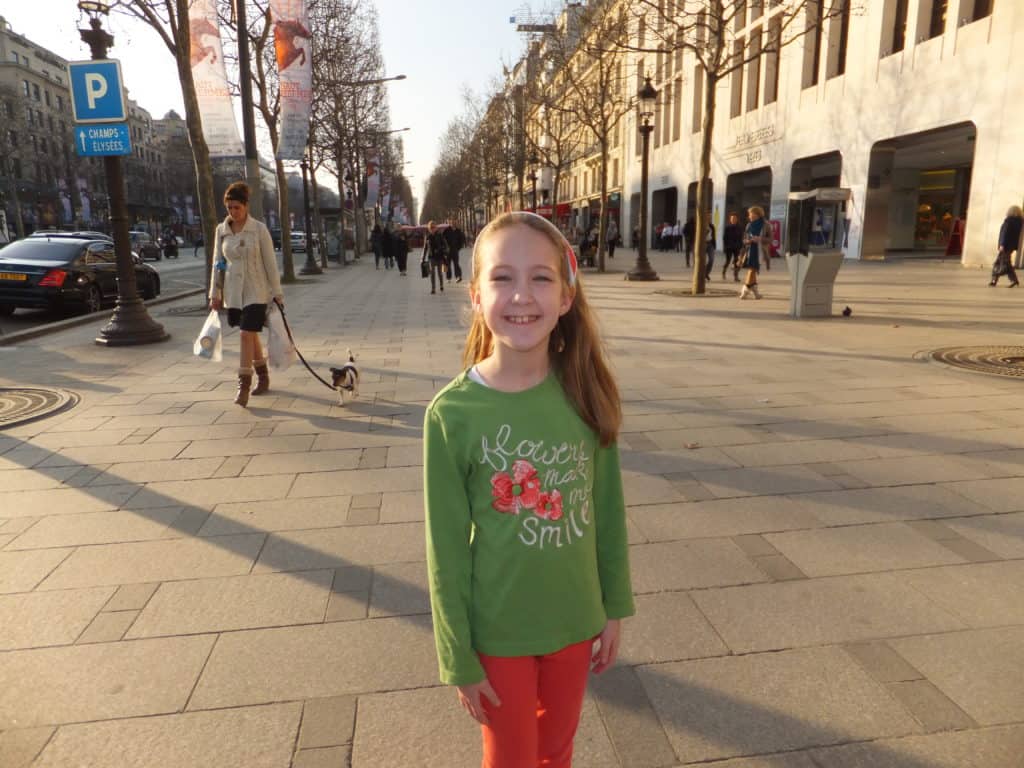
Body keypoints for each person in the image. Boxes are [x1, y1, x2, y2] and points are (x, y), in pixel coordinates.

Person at [424, 211, 634, 768]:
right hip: (498, 630)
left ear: (566, 296)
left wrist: (614, 606)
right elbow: (444, 550)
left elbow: (607, 511)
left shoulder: (585, 392)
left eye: (540, 277)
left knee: (556, 751)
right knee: (511, 758)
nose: (522, 295)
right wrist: (457, 654)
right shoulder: (452, 414)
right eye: (502, 278)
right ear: (475, 294)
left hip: (573, 619)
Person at [208, 181, 283, 406]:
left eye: (237, 207)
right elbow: (217, 264)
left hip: (256, 290)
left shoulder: (259, 229)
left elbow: (270, 263)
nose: (233, 212)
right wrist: (215, 293)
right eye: (229, 207)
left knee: (245, 334)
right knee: (250, 334)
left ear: (246, 206)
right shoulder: (221, 231)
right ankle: (263, 376)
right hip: (234, 293)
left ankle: (244, 384)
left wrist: (277, 292)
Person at [739, 206, 770, 300]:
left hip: (760, 251)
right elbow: (744, 239)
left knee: (753, 270)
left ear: (757, 214)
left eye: (751, 214)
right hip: (750, 251)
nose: (749, 216)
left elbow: (771, 239)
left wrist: (760, 239)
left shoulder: (766, 225)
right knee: (752, 269)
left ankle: (746, 290)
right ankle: (753, 292)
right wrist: (748, 241)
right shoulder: (749, 225)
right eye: (749, 214)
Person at [990, 205, 1022, 287]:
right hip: (1012, 246)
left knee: (998, 263)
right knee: (1006, 262)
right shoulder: (1020, 222)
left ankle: (994, 280)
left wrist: (1002, 244)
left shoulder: (1008, 221)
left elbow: (1005, 233)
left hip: (1005, 245)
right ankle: (1013, 280)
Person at [424, 220, 448, 294]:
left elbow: (445, 245)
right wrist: (423, 257)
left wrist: (440, 249)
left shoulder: (440, 235)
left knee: (439, 273)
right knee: (432, 273)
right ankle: (433, 288)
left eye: (433, 227)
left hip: (439, 256)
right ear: (429, 228)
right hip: (431, 257)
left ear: (436, 228)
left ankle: (441, 285)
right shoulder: (428, 236)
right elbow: (425, 247)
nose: (432, 228)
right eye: (431, 227)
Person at [722, 212, 743, 282]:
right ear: (730, 220)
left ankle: (736, 276)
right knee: (728, 261)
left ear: (737, 219)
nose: (733, 220)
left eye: (735, 218)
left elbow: (741, 238)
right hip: (729, 247)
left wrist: (741, 246)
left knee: (736, 261)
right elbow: (724, 238)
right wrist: (725, 247)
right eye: (732, 219)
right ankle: (724, 272)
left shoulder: (739, 227)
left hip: (736, 247)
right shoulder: (727, 228)